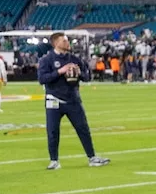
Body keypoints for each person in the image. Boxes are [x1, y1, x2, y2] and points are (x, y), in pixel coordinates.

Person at [37, 32, 109, 170]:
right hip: (54, 100)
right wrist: (60, 71)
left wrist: (78, 72)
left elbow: (87, 77)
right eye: (64, 41)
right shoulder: (46, 60)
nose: (67, 43)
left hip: (72, 99)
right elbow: (42, 79)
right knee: (52, 131)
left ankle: (92, 157)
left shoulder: (75, 59)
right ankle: (54, 160)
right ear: (56, 43)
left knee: (83, 129)